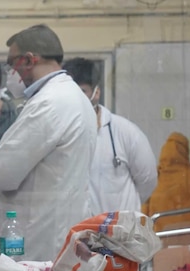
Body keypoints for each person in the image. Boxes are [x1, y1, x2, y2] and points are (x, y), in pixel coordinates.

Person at [0, 24, 97, 262]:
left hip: (37, 242)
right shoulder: (72, 97)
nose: (10, 72)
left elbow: (3, 173)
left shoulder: (50, 103)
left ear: (28, 60)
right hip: (57, 234)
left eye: (11, 64)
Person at [62, 57, 157, 215]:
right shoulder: (59, 135)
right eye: (71, 92)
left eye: (83, 91)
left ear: (96, 93)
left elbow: (148, 180)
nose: (76, 98)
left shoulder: (125, 132)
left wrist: (126, 210)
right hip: (78, 232)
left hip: (120, 232)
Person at [142, 132, 190, 231]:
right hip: (187, 236)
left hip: (160, 237)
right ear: (185, 152)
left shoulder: (155, 176)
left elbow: (144, 210)